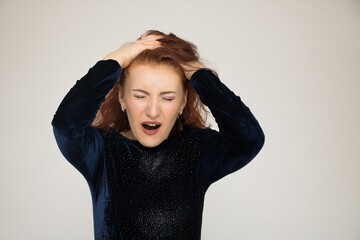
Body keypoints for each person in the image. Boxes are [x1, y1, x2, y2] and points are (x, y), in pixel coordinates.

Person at [52, 30, 265, 240]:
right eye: (140, 96)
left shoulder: (198, 149)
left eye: (168, 97)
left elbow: (249, 139)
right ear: (122, 98)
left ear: (182, 102)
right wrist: (117, 59)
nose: (153, 111)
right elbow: (65, 125)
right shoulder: (101, 151)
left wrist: (199, 74)